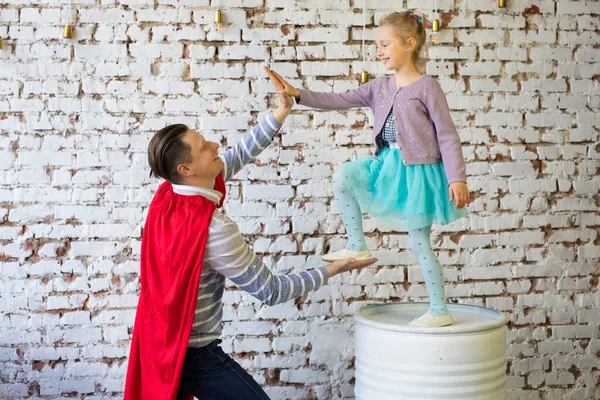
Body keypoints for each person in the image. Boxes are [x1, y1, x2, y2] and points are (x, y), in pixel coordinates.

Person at [123, 67, 377, 400]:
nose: (214, 144)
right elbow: (271, 291)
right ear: (187, 170)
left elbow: (241, 153)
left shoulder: (169, 197)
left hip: (159, 340)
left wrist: (281, 111)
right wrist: (334, 268)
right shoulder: (213, 229)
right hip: (194, 355)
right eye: (204, 146)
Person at [265, 12, 471, 328]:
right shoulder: (379, 87)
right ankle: (357, 245)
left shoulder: (428, 87)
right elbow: (337, 99)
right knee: (345, 175)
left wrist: (456, 177)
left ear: (410, 44)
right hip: (386, 165)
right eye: (377, 45)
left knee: (419, 243)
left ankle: (439, 309)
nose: (379, 51)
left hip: (416, 173)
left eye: (385, 44)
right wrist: (298, 94)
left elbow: (447, 134)